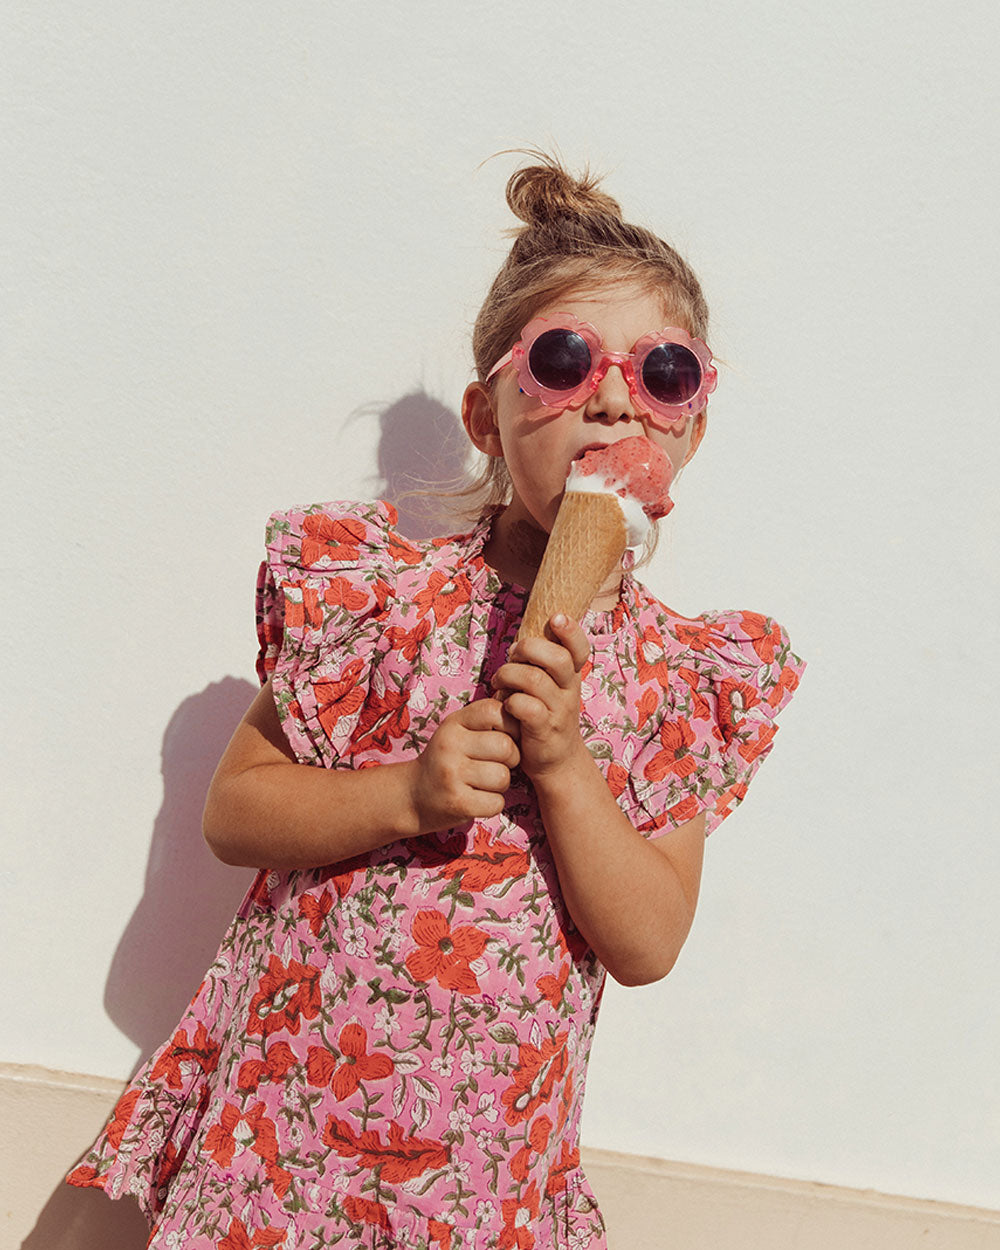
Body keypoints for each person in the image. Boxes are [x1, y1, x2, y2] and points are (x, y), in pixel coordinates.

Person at [68, 153, 805, 1250]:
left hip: (484, 1172)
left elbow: (648, 939)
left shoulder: (676, 682)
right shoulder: (384, 604)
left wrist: (565, 767)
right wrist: (405, 790)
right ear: (487, 412)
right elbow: (238, 812)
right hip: (292, 1133)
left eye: (661, 372)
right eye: (563, 360)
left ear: (691, 426)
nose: (611, 395)